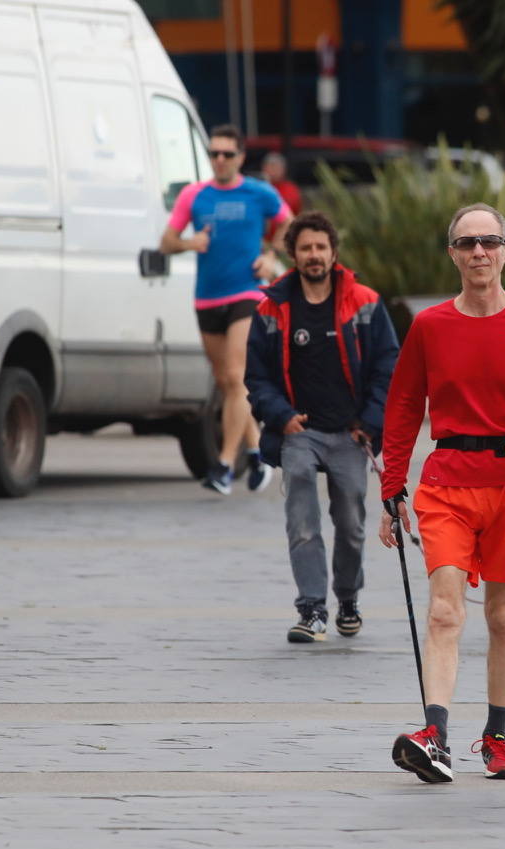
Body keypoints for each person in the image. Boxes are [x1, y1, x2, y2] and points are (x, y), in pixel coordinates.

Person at [378, 203, 505, 783]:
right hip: (446, 483)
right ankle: (434, 736)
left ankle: (496, 737)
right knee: (444, 611)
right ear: (453, 255)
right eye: (467, 244)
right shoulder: (430, 326)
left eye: (489, 241)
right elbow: (404, 407)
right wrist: (392, 489)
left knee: (504, 617)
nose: (479, 252)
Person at [245, 212, 398, 643]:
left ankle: (348, 598)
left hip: (351, 432)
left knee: (351, 523)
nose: (314, 255)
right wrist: (281, 417)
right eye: (305, 248)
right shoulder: (271, 308)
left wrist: (371, 422)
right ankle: (311, 609)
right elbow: (256, 376)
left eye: (321, 247)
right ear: (293, 255)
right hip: (299, 432)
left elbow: (389, 365)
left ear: (333, 253)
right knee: (302, 522)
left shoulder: (365, 303)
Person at [160, 124, 292, 495]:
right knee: (226, 382)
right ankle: (256, 451)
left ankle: (223, 465)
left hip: (247, 293)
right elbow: (166, 242)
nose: (219, 160)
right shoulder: (194, 194)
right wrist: (190, 243)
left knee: (236, 375)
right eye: (214, 154)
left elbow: (288, 223)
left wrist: (271, 256)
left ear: (241, 157)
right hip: (207, 298)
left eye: (227, 154)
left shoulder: (259, 192)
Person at [261, 152, 304, 217]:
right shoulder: (258, 188)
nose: (274, 171)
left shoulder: (291, 189)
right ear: (264, 168)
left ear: (284, 169)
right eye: (271, 167)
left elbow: (297, 212)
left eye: (277, 167)